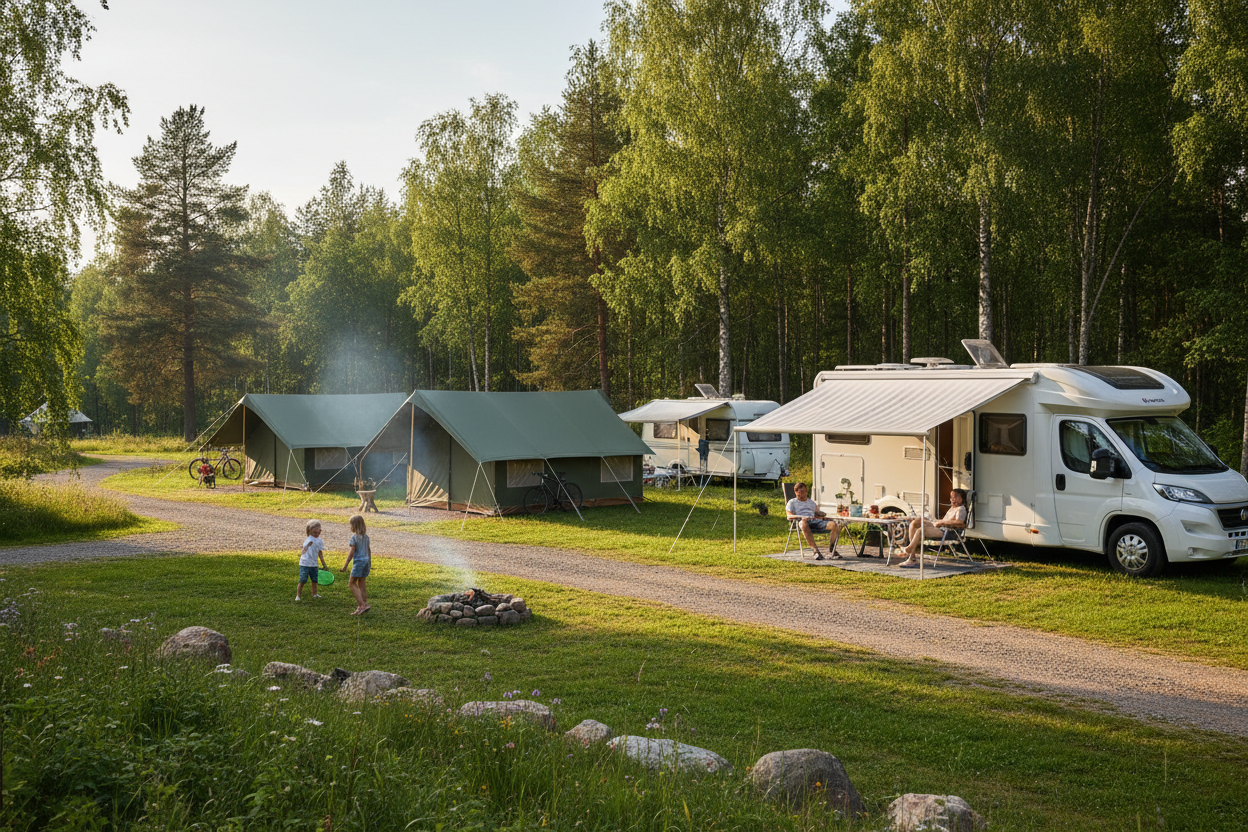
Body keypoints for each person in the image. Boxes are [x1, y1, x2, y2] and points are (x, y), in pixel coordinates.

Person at [895, 488, 967, 568]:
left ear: (962, 499)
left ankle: (910, 553)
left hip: (947, 531)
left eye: (956, 497)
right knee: (914, 523)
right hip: (939, 526)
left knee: (921, 530)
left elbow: (960, 522)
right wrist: (937, 521)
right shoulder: (952, 508)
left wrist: (942, 522)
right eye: (951, 497)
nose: (953, 500)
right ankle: (911, 556)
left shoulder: (961, 509)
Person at [785, 482, 844, 561]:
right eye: (798, 492)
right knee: (803, 523)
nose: (800, 494)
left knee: (834, 524)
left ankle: (832, 547)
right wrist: (802, 517)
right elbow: (789, 515)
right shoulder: (792, 502)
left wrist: (821, 513)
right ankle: (815, 550)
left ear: (806, 491)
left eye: (802, 492)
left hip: (815, 521)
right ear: (795, 492)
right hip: (802, 522)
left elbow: (817, 512)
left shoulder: (811, 503)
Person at [341, 514, 372, 615]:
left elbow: (352, 552)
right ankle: (362, 606)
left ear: (353, 526)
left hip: (359, 562)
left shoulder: (354, 537)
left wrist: (345, 565)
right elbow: (369, 550)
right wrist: (369, 563)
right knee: (361, 584)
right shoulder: (366, 537)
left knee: (351, 584)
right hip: (366, 562)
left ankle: (362, 605)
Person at [297, 519, 329, 600]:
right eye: (314, 532)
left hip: (314, 564)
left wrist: (323, 564)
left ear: (320, 531)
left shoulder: (319, 540)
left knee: (314, 580)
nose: (317, 534)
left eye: (318, 532)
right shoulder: (308, 540)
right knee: (302, 580)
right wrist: (307, 545)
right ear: (309, 531)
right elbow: (303, 552)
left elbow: (320, 552)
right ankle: (298, 596)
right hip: (305, 564)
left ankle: (314, 594)